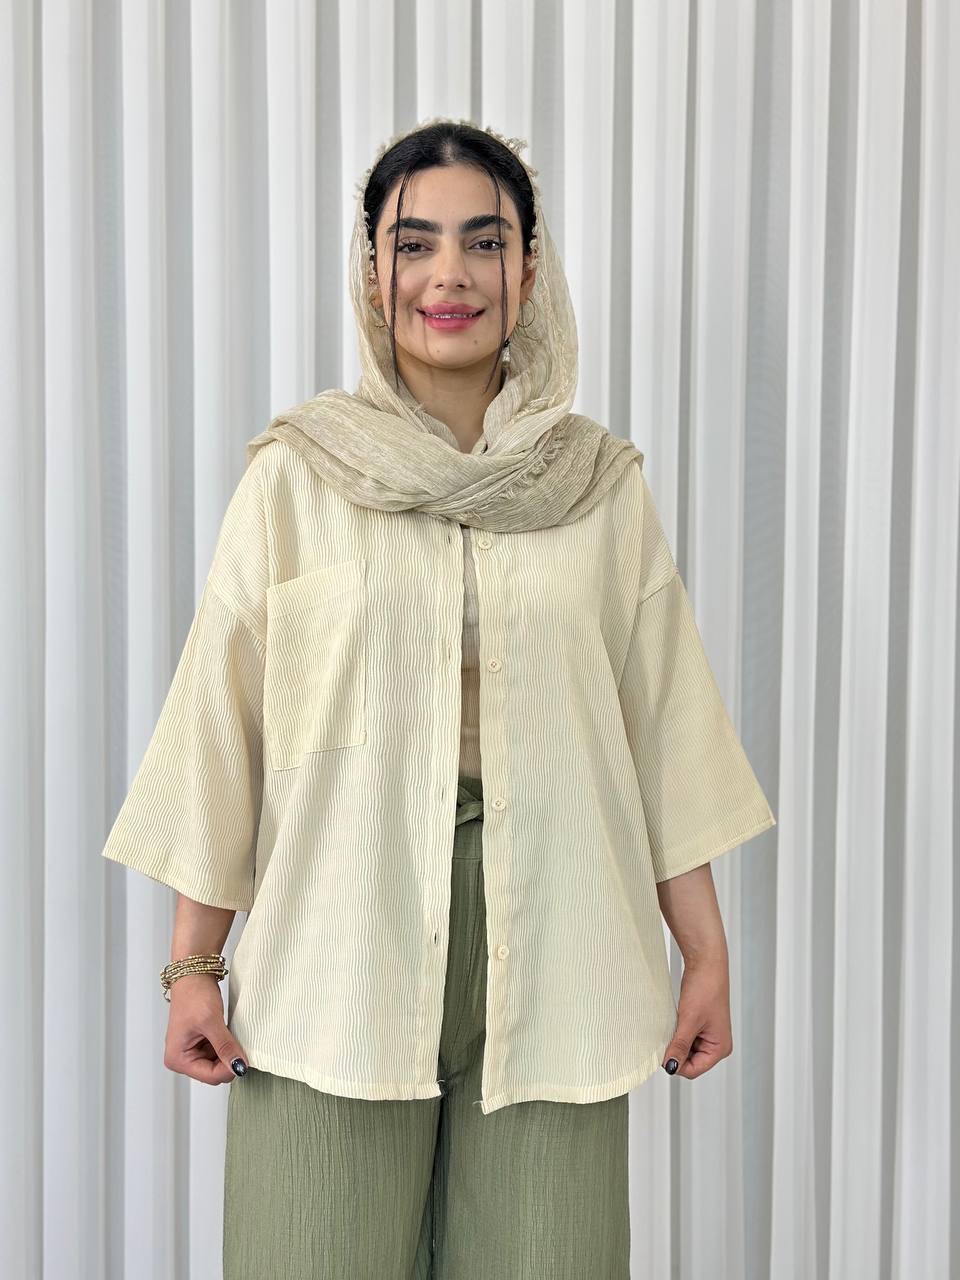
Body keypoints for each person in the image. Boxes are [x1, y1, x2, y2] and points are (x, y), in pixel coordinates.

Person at [101, 116, 776, 1278]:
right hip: (336, 946)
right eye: (414, 244)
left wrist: (705, 952)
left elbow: (666, 725)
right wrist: (192, 966)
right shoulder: (298, 479)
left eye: (484, 241)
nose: (448, 275)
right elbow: (224, 726)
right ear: (374, 272)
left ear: (530, 269)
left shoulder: (597, 486)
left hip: (564, 943)